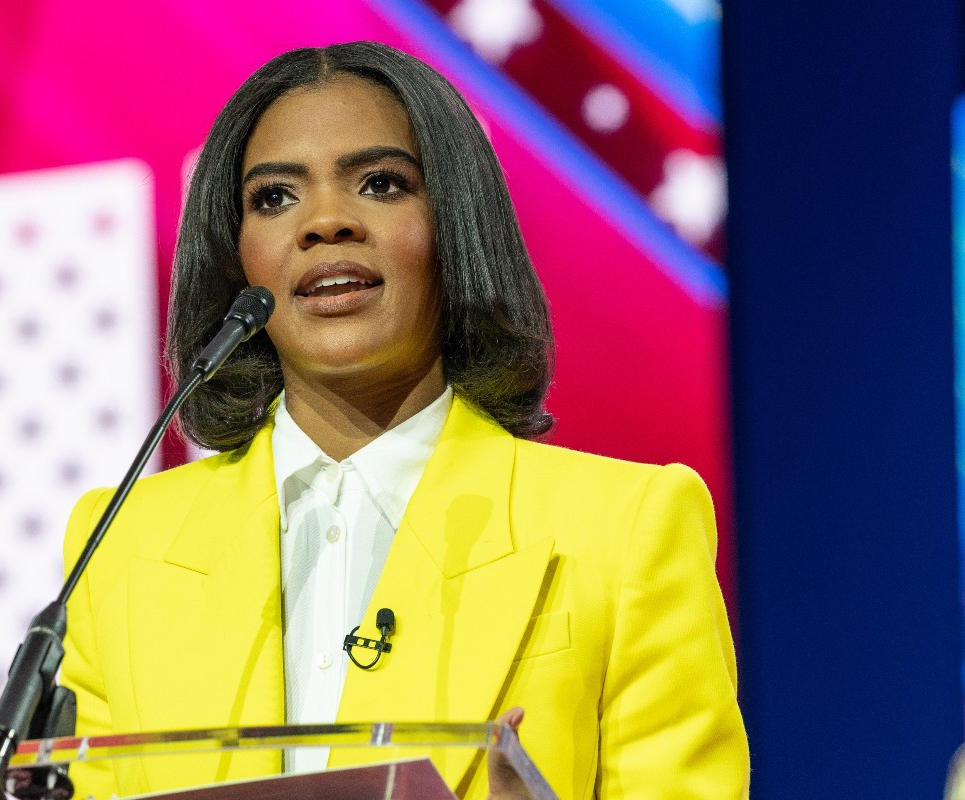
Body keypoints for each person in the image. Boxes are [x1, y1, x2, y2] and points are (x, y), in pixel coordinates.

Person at [60, 41, 749, 800]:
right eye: (275, 198)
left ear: (454, 229)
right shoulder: (121, 549)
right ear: (235, 260)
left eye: (381, 184)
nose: (325, 222)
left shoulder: (625, 529)